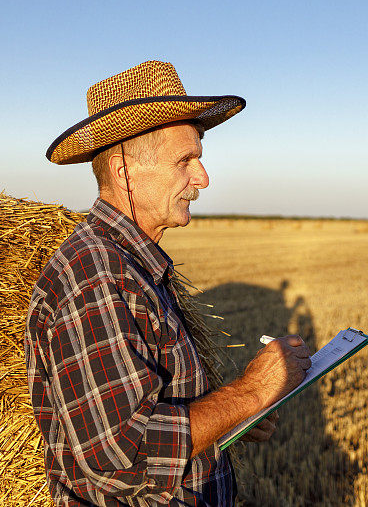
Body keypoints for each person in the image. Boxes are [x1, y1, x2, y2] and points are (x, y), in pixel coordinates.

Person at [25, 61, 311, 506]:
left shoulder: (129, 264)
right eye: (185, 160)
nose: (203, 177)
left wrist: (236, 416)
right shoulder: (97, 276)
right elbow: (124, 452)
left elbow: (161, 408)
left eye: (199, 157)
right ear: (123, 170)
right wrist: (250, 392)